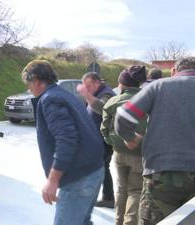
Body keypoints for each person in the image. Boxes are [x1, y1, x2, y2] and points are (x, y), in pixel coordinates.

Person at [22, 60, 104, 225]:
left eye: (29, 83)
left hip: (80, 178)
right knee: (83, 221)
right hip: (94, 170)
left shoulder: (50, 99)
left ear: (36, 81)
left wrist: (53, 180)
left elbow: (66, 139)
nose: (28, 88)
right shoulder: (63, 94)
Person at [115, 57, 195, 225]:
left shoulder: (158, 86)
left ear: (173, 71)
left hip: (160, 174)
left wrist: (131, 138)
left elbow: (123, 116)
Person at [100, 65, 147, 225]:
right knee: (136, 190)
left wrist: (112, 143)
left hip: (119, 152)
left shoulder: (113, 101)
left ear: (123, 83)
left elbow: (104, 128)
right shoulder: (148, 99)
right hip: (140, 153)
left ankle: (119, 221)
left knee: (121, 188)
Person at [76, 72, 116, 208]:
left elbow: (102, 109)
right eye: (85, 87)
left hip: (103, 141)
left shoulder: (107, 94)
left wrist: (86, 94)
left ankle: (87, 198)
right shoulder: (96, 92)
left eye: (89, 86)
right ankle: (108, 197)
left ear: (97, 83)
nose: (86, 89)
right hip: (95, 140)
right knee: (103, 168)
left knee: (94, 168)